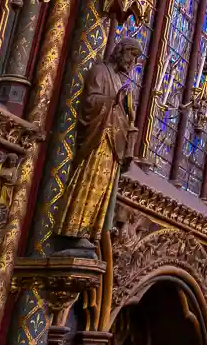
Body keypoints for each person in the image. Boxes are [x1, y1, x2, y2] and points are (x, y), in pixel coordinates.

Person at [52, 36, 142, 255]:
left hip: (114, 144)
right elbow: (90, 101)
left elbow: (127, 116)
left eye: (136, 59)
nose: (132, 62)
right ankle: (76, 231)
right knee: (88, 180)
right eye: (131, 55)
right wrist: (114, 100)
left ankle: (91, 232)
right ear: (120, 51)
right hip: (98, 138)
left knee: (103, 189)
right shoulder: (101, 72)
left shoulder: (123, 81)